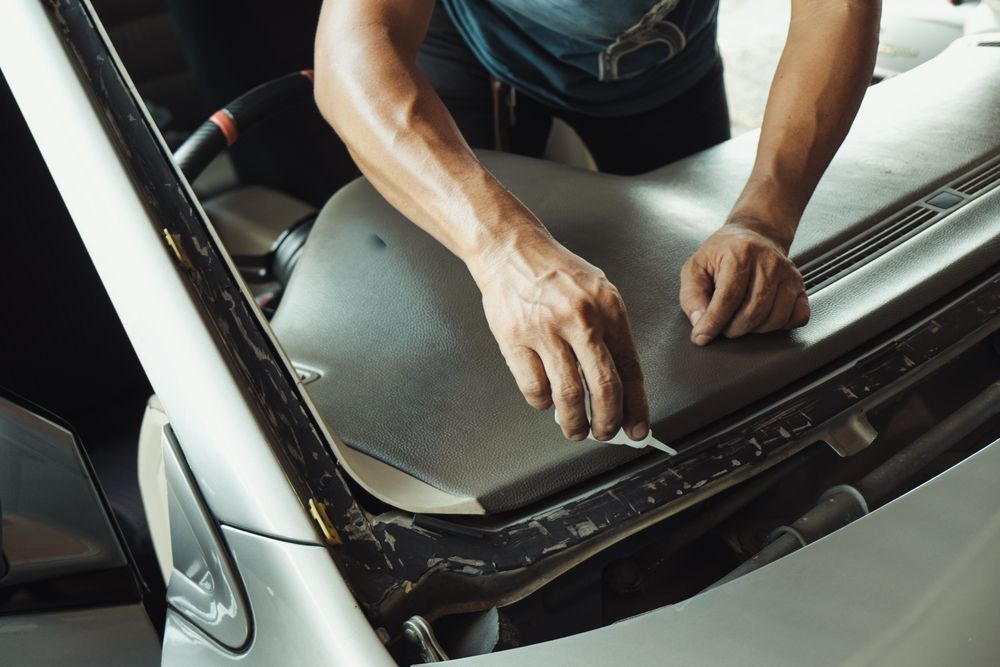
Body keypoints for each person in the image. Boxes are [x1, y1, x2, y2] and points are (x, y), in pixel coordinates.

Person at [313, 1, 880, 442]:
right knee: (488, 322)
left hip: (666, 61)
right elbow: (353, 50)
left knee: (708, 315)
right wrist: (503, 247)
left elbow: (835, 9)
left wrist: (764, 218)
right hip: (481, 58)